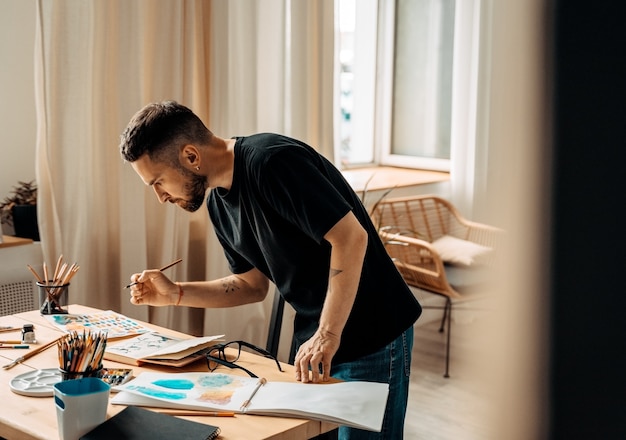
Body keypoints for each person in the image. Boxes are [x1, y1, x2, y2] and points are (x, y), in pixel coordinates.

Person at [119, 100, 422, 439]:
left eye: (158, 182)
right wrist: (176, 293)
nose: (160, 197)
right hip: (317, 339)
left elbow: (351, 238)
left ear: (191, 156)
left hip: (372, 332)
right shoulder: (219, 202)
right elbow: (251, 285)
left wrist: (327, 334)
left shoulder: (272, 162)